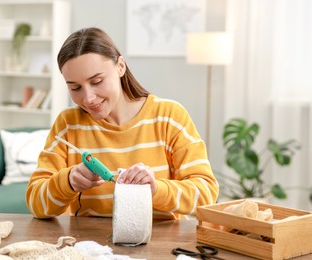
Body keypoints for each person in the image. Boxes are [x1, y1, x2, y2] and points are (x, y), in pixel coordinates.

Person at [26, 27, 219, 220]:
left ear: (120, 66)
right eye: (75, 88)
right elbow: (36, 205)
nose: (88, 98)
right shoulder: (68, 124)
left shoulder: (169, 116)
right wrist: (67, 182)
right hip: (90, 246)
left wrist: (156, 189)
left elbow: (206, 194)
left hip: (161, 243)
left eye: (97, 81)